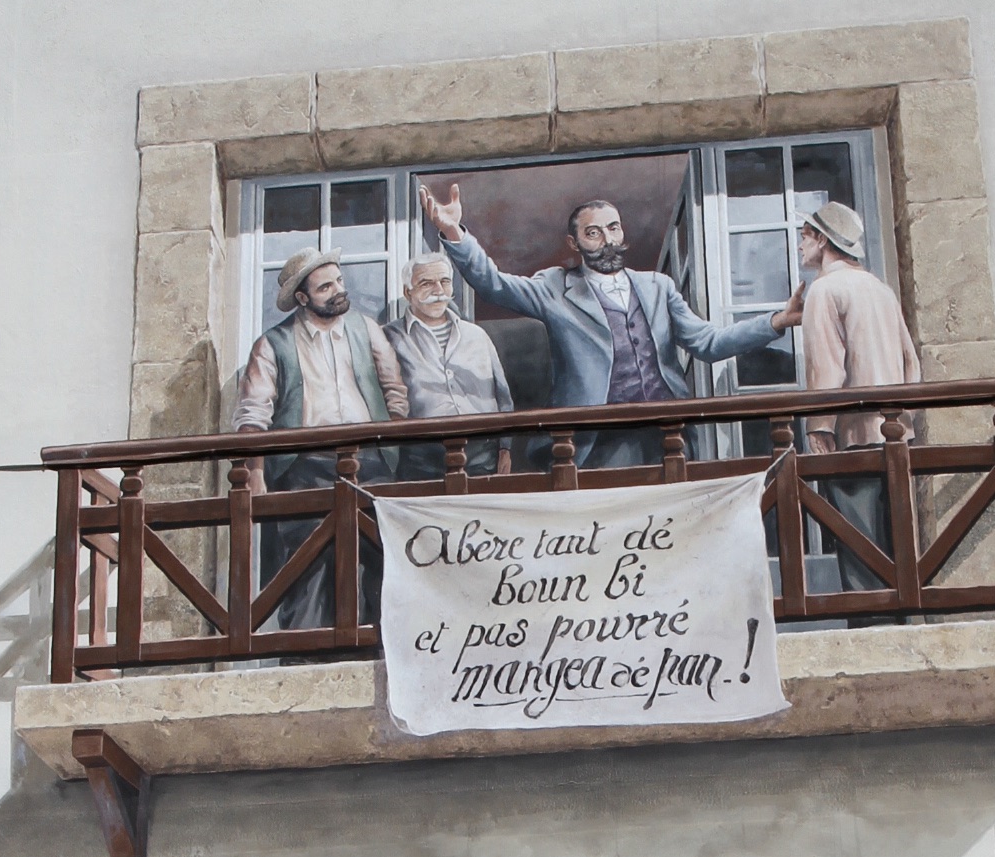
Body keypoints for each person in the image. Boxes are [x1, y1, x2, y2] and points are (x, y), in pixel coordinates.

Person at [416, 177, 787, 468]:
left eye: (614, 228)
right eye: (593, 233)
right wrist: (454, 232)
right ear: (574, 243)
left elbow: (709, 343)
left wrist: (777, 321)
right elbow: (493, 284)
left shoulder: (658, 287)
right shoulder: (554, 288)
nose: (607, 240)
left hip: (668, 436)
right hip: (594, 442)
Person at [231, 248, 408, 633]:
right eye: (325, 286)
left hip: (370, 462)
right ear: (302, 298)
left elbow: (395, 391)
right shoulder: (273, 344)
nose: (338, 290)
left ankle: (376, 648)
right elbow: (254, 412)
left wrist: (390, 445)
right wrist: (256, 471)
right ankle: (304, 656)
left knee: (378, 556)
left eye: (339, 282)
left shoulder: (366, 329)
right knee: (306, 562)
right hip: (305, 466)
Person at [767, 201, 922, 595]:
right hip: (894, 435)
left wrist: (820, 426)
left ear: (822, 239)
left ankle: (871, 624)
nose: (800, 246)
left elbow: (827, 370)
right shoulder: (880, 289)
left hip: (852, 437)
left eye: (804, 237)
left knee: (858, 549)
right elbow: (910, 362)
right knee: (894, 545)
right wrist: (905, 422)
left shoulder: (825, 290)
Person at [382, 247, 512, 481]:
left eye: (444, 281)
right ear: (407, 292)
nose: (439, 291)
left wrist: (505, 448)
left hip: (482, 454)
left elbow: (502, 396)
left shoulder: (476, 335)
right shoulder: (389, 337)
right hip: (420, 457)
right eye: (426, 283)